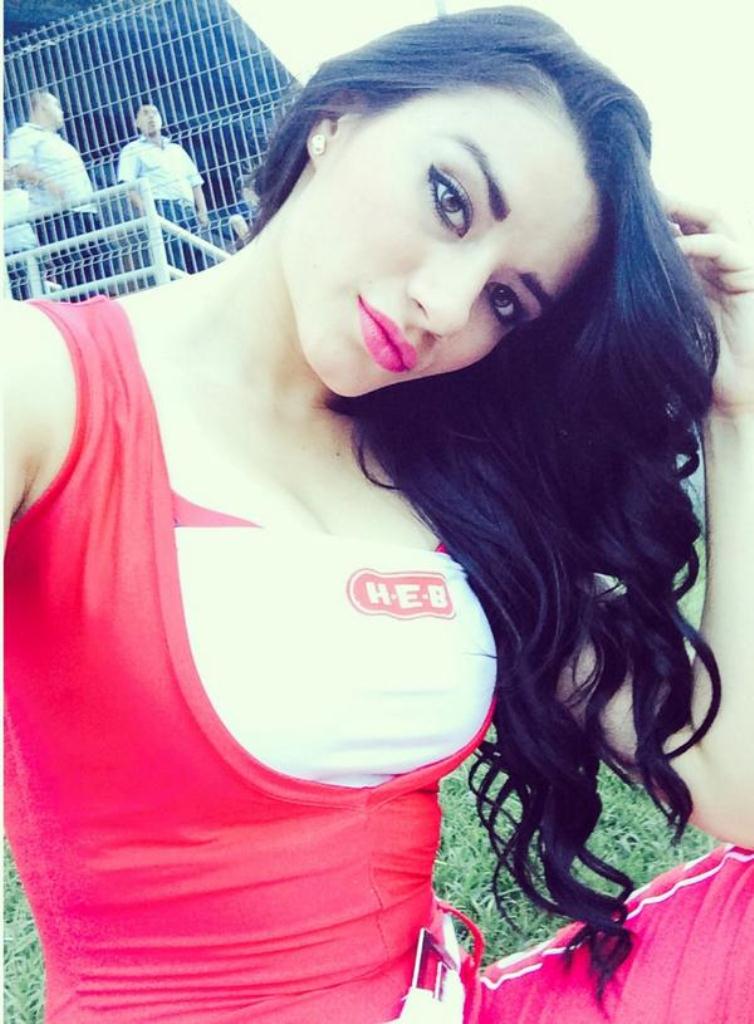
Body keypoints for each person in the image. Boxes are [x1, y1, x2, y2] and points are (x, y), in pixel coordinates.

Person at [4, 8, 753, 1024]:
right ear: (339, 115)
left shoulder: (454, 487)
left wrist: (736, 408)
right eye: (449, 199)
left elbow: (735, 785)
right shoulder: (42, 386)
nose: (445, 304)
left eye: (507, 301)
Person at [6, 89, 107, 294]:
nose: (61, 111)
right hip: (57, 215)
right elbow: (19, 167)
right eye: (57, 105)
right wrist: (47, 181)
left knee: (99, 260)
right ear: (42, 106)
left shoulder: (56, 140)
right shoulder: (24, 135)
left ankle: (96, 303)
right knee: (76, 269)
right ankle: (82, 306)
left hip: (83, 210)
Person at [117, 102, 209, 274]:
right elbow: (128, 186)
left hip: (188, 209)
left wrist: (202, 210)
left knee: (196, 262)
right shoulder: (132, 150)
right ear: (136, 123)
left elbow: (195, 181)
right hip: (162, 208)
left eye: (155, 113)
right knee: (174, 262)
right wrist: (147, 210)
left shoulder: (176, 150)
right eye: (145, 113)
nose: (151, 117)